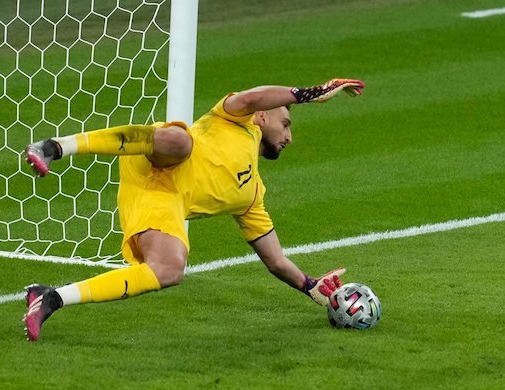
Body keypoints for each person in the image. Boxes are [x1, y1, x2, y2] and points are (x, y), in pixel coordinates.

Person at [22, 78, 365, 341]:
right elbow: (250, 97)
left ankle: (51, 298)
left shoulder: (250, 196)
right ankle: (54, 146)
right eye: (286, 124)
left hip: (158, 198)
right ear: (262, 117)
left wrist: (309, 286)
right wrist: (308, 93)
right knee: (181, 141)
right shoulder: (234, 118)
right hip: (157, 155)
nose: (290, 136)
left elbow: (274, 259)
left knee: (170, 270)